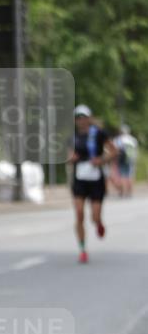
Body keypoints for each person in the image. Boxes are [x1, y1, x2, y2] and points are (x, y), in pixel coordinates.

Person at [66, 105, 117, 264]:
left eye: (83, 117)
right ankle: (82, 249)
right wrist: (71, 159)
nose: (81, 120)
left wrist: (101, 160)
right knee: (79, 213)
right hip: (80, 179)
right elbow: (67, 157)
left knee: (94, 217)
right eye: (77, 117)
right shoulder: (72, 137)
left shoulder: (99, 134)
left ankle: (99, 223)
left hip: (96, 179)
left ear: (89, 118)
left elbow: (114, 152)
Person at [114, 123, 139, 197]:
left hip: (121, 159)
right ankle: (129, 192)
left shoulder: (118, 139)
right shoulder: (132, 139)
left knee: (121, 175)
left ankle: (122, 191)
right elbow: (135, 150)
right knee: (130, 175)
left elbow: (115, 150)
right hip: (130, 159)